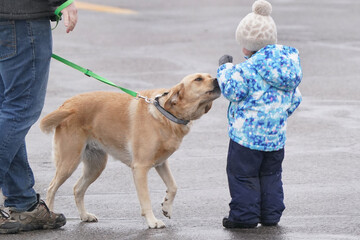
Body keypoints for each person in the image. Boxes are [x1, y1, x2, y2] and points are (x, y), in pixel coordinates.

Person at [217, 0, 302, 228]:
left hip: (246, 138)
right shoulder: (286, 68)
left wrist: (225, 68)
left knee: (243, 175)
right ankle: (270, 215)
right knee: (271, 175)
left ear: (247, 45)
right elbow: (296, 98)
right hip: (275, 139)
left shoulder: (246, 69)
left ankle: (244, 217)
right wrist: (276, 117)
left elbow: (233, 92)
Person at [0, 0, 78, 234]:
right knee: (20, 109)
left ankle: (24, 203)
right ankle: (23, 202)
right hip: (20, 18)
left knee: (9, 111)